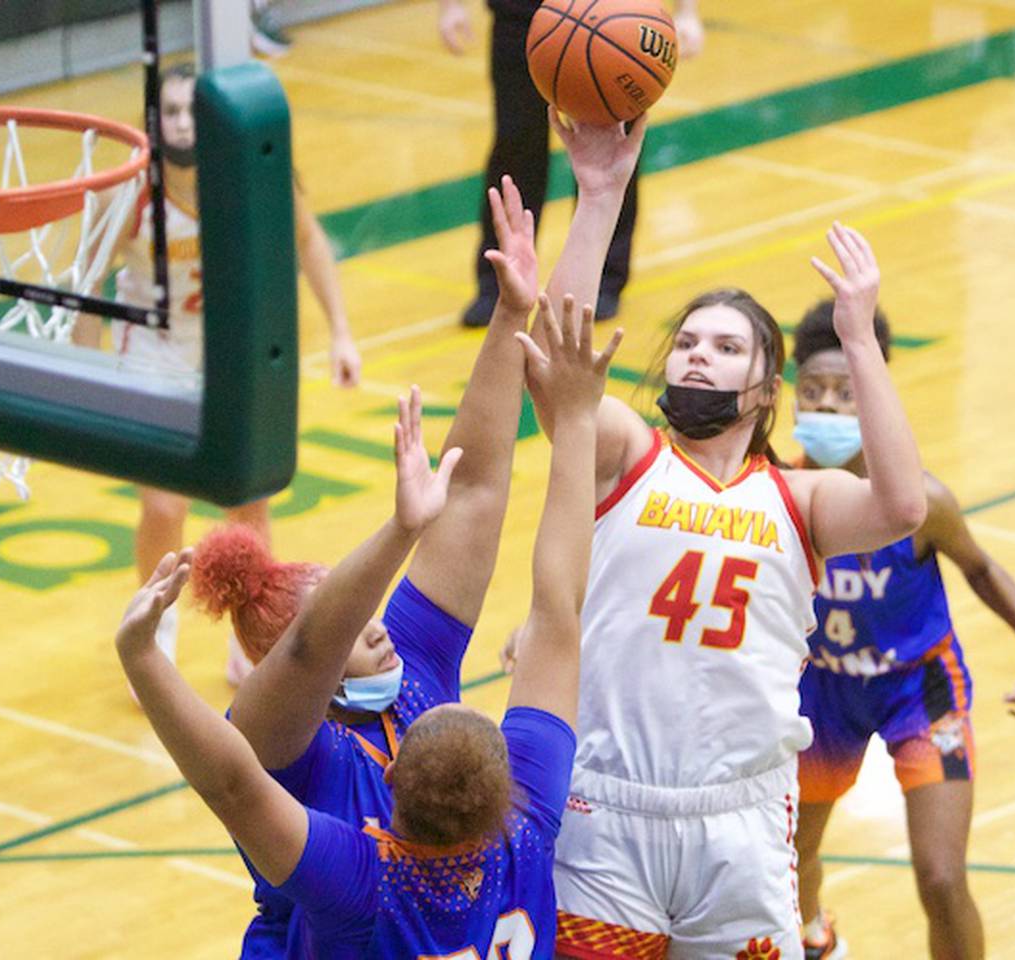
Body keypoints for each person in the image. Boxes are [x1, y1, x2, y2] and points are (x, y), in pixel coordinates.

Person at [115, 291, 619, 956]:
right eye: (348, 622)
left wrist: (143, 657)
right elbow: (545, 594)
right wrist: (546, 375)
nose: (379, 631)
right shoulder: (524, 830)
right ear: (510, 793)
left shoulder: (358, 879)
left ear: (391, 781)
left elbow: (232, 777)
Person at [522, 143, 926, 956]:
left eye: (727, 346)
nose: (699, 352)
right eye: (688, 342)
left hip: (741, 825)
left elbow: (902, 502)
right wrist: (598, 197)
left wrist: (859, 339)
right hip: (609, 813)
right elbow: (557, 369)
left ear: (765, 390)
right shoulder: (628, 456)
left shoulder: (797, 498)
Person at [74, 62, 362, 686]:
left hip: (230, 353)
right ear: (154, 123)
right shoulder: (132, 193)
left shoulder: (251, 175)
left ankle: (252, 632)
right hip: (154, 353)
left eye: (189, 110)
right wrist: (84, 372)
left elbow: (309, 242)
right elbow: (88, 282)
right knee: (165, 501)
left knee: (248, 498)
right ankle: (158, 622)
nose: (181, 122)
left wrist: (340, 330)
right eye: (170, 111)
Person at [788, 302, 1015, 960]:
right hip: (821, 692)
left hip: (919, 688)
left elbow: (982, 569)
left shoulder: (920, 501)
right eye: (814, 392)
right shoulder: (781, 492)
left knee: (941, 878)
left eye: (846, 392)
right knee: (788, 861)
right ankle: (813, 933)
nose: (828, 406)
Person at [437, 0, 705, 326]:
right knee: (514, 144)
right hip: (522, 14)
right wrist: (450, 6)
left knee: (613, 152)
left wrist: (687, 12)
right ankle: (500, 282)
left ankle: (603, 278)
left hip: (615, 17)